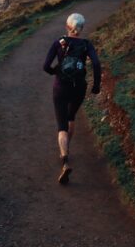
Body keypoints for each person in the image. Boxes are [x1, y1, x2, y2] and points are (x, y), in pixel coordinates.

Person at [42, 12, 101, 184]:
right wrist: (96, 85)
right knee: (71, 117)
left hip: (60, 87)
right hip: (78, 88)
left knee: (62, 126)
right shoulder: (86, 44)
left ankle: (65, 159)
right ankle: (67, 148)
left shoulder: (58, 43)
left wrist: (56, 72)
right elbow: (96, 64)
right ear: (81, 28)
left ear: (67, 27)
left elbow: (45, 66)